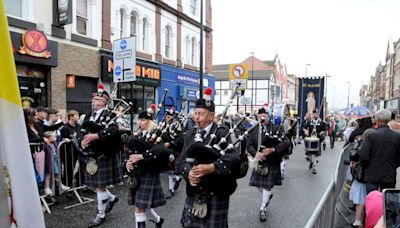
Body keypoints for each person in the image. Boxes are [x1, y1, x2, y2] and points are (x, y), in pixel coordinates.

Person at [177, 87, 241, 228]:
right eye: (195, 113)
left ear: (211, 116)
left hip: (217, 191)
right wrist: (189, 174)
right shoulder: (190, 134)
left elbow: (234, 158)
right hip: (194, 193)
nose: (196, 117)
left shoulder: (223, 133)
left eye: (200, 113)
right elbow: (181, 162)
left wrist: (212, 167)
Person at [78, 85, 122, 227]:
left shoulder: (110, 115)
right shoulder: (89, 115)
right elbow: (82, 131)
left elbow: (114, 130)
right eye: (93, 99)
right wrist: (82, 141)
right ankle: (112, 198)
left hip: (104, 154)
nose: (93, 102)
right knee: (94, 186)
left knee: (100, 186)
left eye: (96, 99)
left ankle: (100, 215)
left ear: (103, 102)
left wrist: (96, 136)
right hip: (93, 154)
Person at [247, 107, 291, 222]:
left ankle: (263, 208)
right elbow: (249, 145)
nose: (262, 118)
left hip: (272, 162)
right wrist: (256, 153)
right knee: (258, 184)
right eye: (260, 116)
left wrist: (273, 149)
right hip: (259, 161)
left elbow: (286, 142)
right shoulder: (253, 129)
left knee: (267, 185)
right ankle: (267, 195)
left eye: (264, 116)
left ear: (268, 117)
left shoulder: (277, 128)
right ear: (257, 117)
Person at [125, 110, 166, 228]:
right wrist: (126, 163)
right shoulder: (135, 135)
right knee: (141, 204)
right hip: (136, 174)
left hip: (149, 172)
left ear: (150, 122)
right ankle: (158, 220)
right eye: (139, 120)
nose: (140, 122)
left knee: (139, 206)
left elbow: (160, 150)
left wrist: (142, 156)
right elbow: (126, 152)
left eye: (143, 120)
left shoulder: (157, 135)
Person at [359, 109, 400, 194]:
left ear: (377, 120)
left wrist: (366, 167)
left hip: (372, 174)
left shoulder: (371, 135)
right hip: (389, 174)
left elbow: (363, 156)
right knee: (388, 202)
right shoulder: (397, 136)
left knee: (372, 201)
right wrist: (393, 165)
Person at [303, 110, 326, 174]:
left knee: (316, 155)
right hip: (310, 140)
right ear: (312, 115)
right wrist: (306, 131)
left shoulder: (321, 122)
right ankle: (311, 162)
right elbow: (304, 127)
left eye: (316, 114)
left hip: (317, 140)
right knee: (309, 155)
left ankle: (314, 167)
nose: (315, 115)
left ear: (318, 115)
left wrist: (322, 132)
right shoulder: (309, 122)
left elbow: (324, 130)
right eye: (314, 114)